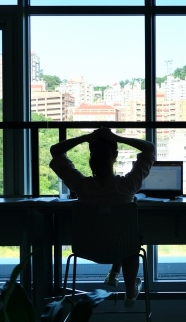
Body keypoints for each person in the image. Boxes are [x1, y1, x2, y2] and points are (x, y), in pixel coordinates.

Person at [49, 128, 155, 306]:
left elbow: (55, 150)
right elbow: (149, 148)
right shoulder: (128, 185)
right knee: (130, 240)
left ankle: (115, 272)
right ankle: (130, 292)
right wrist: (116, 137)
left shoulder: (81, 186)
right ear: (115, 156)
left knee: (116, 234)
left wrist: (86, 137)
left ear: (91, 158)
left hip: (88, 247)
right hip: (121, 247)